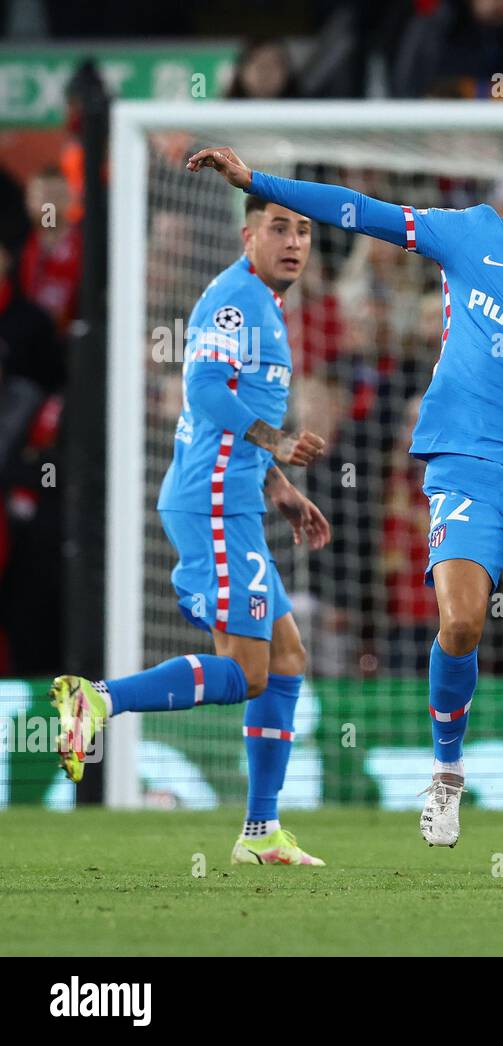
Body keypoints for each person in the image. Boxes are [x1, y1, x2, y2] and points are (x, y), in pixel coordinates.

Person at [185, 137, 503, 848]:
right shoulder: (471, 234)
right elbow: (358, 212)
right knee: (461, 621)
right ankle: (445, 774)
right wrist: (258, 181)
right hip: (463, 462)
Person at [51, 196, 332, 867]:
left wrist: (278, 486)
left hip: (235, 496)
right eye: (279, 228)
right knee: (249, 670)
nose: (294, 242)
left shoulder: (264, 302)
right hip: (212, 501)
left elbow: (227, 415)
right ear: (247, 234)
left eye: (305, 232)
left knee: (286, 659)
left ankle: (262, 833)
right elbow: (204, 393)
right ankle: (95, 699)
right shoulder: (237, 301)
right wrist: (279, 442)